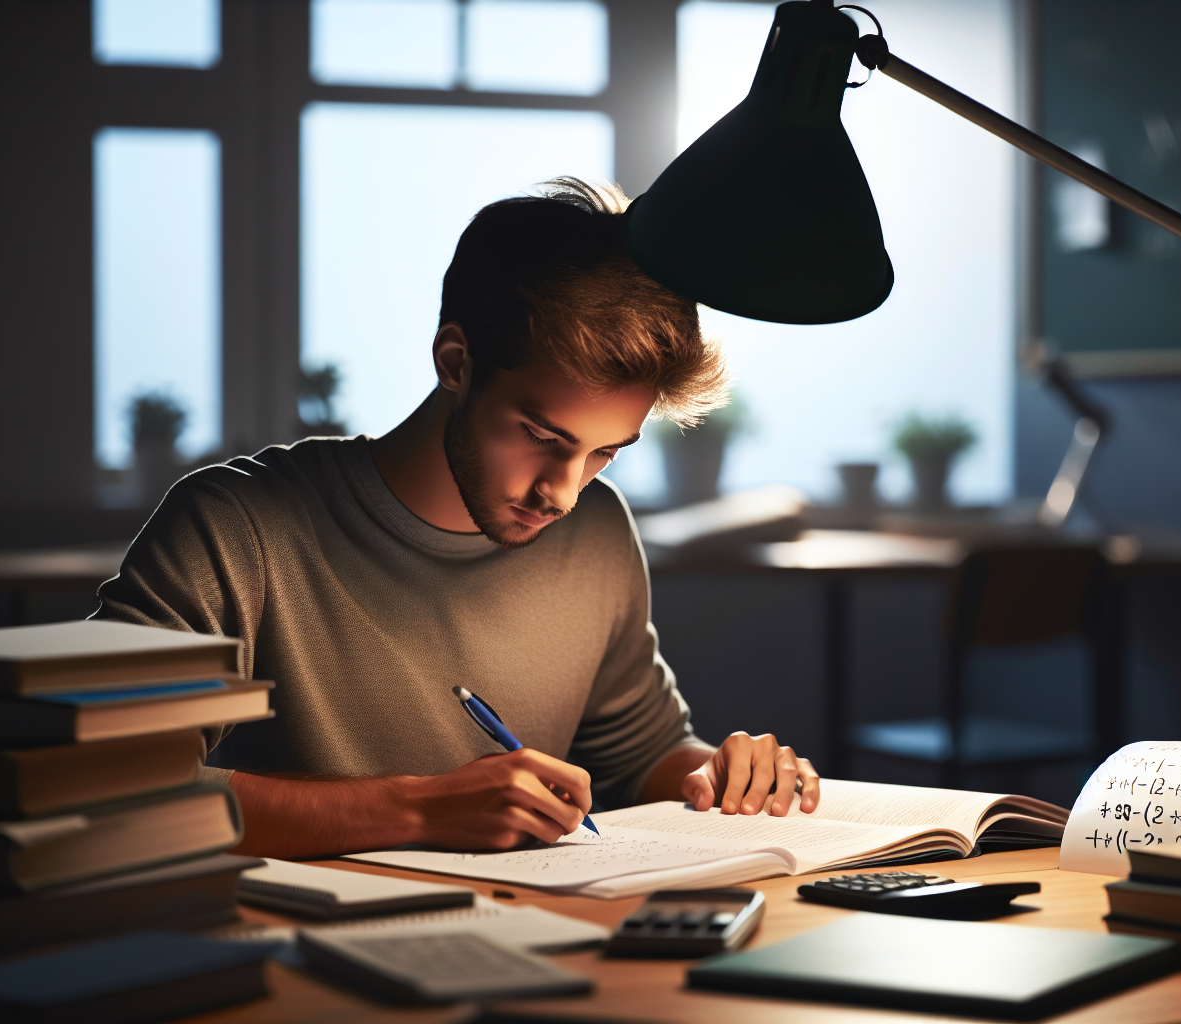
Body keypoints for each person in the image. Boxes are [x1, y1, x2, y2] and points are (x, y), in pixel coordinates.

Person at [95, 179, 820, 860]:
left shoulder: (594, 531)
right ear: (455, 361)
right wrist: (414, 812)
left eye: (604, 453)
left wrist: (720, 773)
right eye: (543, 437)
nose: (562, 494)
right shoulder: (234, 528)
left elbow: (640, 757)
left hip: (542, 943)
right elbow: (101, 787)